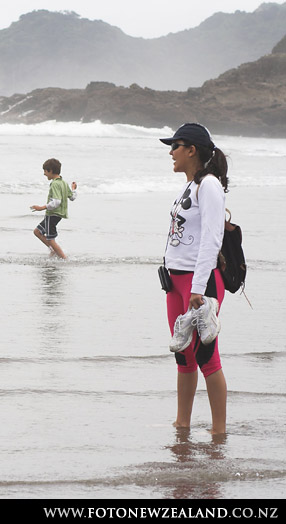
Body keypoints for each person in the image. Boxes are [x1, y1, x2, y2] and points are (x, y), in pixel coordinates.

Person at [160, 123, 229, 435]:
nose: (171, 152)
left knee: (206, 356)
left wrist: (198, 290)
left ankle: (218, 433)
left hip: (199, 284)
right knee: (183, 354)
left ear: (192, 150)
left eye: (176, 145)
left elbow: (212, 240)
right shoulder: (188, 186)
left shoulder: (209, 185)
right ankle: (182, 425)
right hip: (175, 284)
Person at [30, 158, 77, 259]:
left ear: (50, 170)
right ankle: (53, 250)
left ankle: (64, 259)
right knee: (37, 232)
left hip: (52, 214)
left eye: (45, 171)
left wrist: (41, 207)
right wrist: (73, 189)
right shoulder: (63, 183)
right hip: (58, 215)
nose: (44, 174)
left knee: (51, 239)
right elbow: (72, 197)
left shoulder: (55, 184)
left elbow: (56, 202)